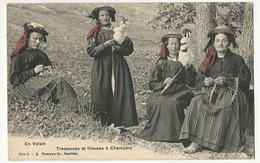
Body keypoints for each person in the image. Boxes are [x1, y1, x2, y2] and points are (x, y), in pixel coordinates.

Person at [179, 26, 251, 153]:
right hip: (210, 92)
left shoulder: (237, 60)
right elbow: (198, 82)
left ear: (229, 42)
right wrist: (206, 82)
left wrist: (228, 80)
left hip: (231, 93)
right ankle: (196, 142)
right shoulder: (208, 61)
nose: (220, 43)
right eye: (217, 40)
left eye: (224, 40)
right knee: (197, 102)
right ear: (213, 42)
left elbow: (244, 82)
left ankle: (218, 143)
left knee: (224, 106)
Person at [86, 6, 138, 127]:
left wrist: (118, 48)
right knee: (102, 90)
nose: (104, 17)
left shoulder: (118, 31)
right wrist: (104, 45)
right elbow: (91, 51)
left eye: (107, 15)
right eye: (102, 15)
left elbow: (129, 49)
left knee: (119, 90)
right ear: (98, 18)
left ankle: (122, 120)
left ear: (111, 17)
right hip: (102, 66)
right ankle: (103, 120)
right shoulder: (94, 33)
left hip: (118, 65)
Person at [139, 33, 197, 142]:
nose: (174, 46)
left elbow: (192, 83)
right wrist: (163, 82)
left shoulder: (185, 62)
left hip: (182, 91)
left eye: (177, 44)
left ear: (181, 46)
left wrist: (188, 68)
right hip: (165, 91)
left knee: (173, 102)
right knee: (158, 101)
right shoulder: (161, 63)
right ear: (166, 46)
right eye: (171, 44)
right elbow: (152, 84)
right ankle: (159, 132)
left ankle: (175, 134)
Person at [9, 22, 78, 109]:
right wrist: (34, 71)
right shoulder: (19, 56)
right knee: (58, 81)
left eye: (40, 39)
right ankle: (73, 109)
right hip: (24, 87)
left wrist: (46, 71)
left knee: (57, 81)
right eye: (35, 38)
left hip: (37, 82)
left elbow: (48, 67)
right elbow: (14, 79)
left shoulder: (41, 54)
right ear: (27, 38)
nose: (38, 42)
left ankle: (69, 106)